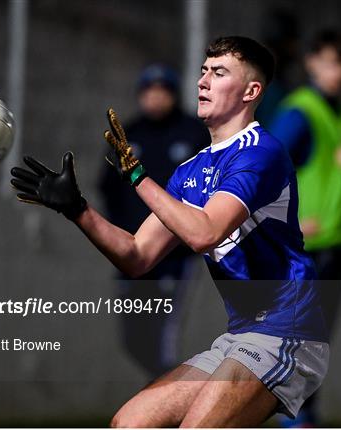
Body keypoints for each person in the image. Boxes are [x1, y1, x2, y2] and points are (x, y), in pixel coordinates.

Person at [10, 36, 329, 428]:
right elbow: (137, 256)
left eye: (219, 72)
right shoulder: (189, 172)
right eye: (203, 71)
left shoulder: (260, 152)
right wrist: (78, 210)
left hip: (287, 332)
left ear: (251, 91)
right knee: (128, 424)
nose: (203, 81)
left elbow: (205, 233)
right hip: (241, 336)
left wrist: (137, 176)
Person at [268, 29, 341, 427]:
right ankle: (293, 419)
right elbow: (264, 170)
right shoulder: (300, 111)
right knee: (296, 340)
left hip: (338, 245)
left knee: (315, 344)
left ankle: (302, 415)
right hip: (304, 248)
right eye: (330, 62)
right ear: (312, 62)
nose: (338, 72)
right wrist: (287, 220)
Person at [98, 64, 210, 378]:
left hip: (175, 256)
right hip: (133, 253)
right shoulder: (127, 135)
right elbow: (108, 188)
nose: (156, 98)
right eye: (149, 91)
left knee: (165, 339)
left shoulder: (192, 133)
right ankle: (164, 400)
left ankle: (165, 415)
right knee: (133, 340)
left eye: (163, 91)